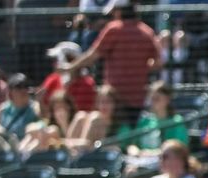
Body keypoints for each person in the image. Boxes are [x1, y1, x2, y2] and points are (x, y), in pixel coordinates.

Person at [62, 0, 160, 132]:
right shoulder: (146, 31)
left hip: (114, 99)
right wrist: (140, 68)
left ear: (119, 12)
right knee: (131, 134)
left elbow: (93, 55)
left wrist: (71, 67)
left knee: (111, 134)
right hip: (137, 96)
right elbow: (158, 62)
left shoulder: (113, 29)